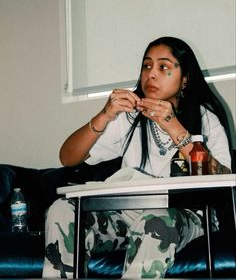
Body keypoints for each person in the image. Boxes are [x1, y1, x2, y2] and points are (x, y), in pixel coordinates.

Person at [43, 36, 232, 279]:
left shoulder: (205, 117)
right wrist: (104, 115)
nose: (151, 74)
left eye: (163, 67)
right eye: (146, 66)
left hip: (185, 214)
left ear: (184, 78)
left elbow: (223, 182)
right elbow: (67, 158)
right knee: (62, 209)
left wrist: (174, 127)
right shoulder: (130, 117)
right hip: (127, 211)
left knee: (154, 221)